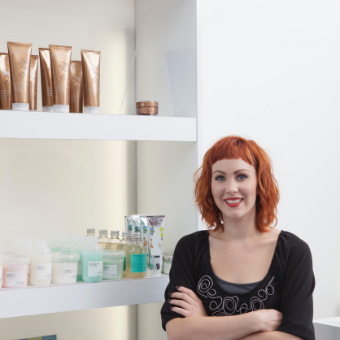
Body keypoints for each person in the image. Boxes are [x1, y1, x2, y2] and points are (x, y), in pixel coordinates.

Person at [161, 136, 315, 340]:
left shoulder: (293, 251)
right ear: (210, 185)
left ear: (260, 183)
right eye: (220, 177)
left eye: (241, 176)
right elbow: (176, 332)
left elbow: (296, 337)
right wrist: (256, 321)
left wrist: (205, 326)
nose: (231, 188)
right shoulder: (190, 248)